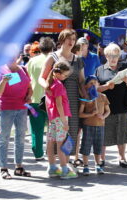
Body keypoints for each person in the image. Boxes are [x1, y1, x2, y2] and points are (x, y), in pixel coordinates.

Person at [39, 29, 85, 159]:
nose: (71, 42)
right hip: (56, 101)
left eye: (73, 39)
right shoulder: (52, 57)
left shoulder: (78, 60)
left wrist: (89, 94)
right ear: (62, 40)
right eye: (68, 39)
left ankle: (67, 161)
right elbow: (41, 78)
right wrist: (47, 88)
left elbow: (81, 81)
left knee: (71, 131)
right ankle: (54, 163)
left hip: (73, 101)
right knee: (54, 134)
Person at [95, 43, 127, 168]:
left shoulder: (124, 68)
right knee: (103, 135)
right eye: (111, 56)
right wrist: (106, 86)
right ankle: (101, 159)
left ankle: (122, 158)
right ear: (106, 55)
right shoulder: (100, 70)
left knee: (121, 134)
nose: (113, 58)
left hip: (121, 106)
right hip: (105, 107)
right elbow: (95, 89)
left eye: (116, 56)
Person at [0, 55, 33, 179]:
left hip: (22, 107)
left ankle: (19, 167)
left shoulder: (23, 69)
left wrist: (29, 95)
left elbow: (29, 87)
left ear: (18, 56)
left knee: (20, 138)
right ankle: (3, 168)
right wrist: (3, 81)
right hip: (6, 108)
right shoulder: (0, 70)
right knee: (4, 138)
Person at [45, 61, 78, 179]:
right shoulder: (58, 85)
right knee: (61, 143)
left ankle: (52, 167)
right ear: (58, 73)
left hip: (53, 117)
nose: (65, 77)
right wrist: (64, 121)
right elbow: (59, 104)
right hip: (60, 117)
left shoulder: (50, 84)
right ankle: (64, 169)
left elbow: (48, 103)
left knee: (51, 142)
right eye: (64, 75)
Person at [26, 37, 54, 161]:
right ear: (52, 48)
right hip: (50, 99)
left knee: (36, 129)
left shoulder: (32, 61)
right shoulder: (53, 60)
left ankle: (37, 152)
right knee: (52, 127)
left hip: (34, 99)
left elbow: (26, 78)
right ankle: (52, 152)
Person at [79, 75, 110, 176]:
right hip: (88, 125)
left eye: (95, 83)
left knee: (98, 146)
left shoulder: (103, 96)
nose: (93, 85)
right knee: (86, 146)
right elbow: (80, 113)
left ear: (98, 84)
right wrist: (91, 114)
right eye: (90, 83)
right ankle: (86, 165)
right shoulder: (85, 98)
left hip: (100, 125)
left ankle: (98, 164)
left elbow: (108, 111)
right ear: (86, 86)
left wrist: (103, 116)